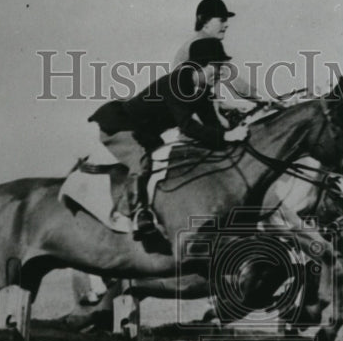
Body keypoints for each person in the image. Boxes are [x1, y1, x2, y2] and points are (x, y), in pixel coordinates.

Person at [90, 37, 249, 240]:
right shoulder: (176, 84)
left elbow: (212, 127)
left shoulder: (201, 91)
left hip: (146, 134)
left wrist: (235, 134)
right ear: (198, 66)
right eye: (216, 67)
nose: (219, 73)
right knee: (142, 161)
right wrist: (227, 136)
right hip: (119, 126)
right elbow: (187, 126)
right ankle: (139, 215)